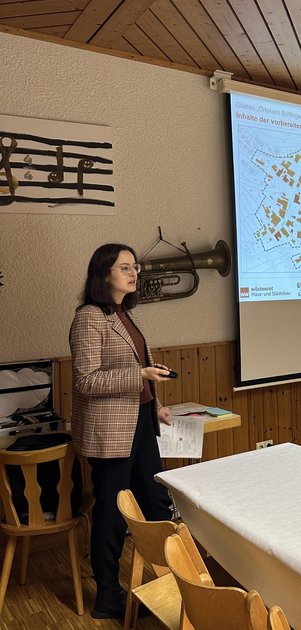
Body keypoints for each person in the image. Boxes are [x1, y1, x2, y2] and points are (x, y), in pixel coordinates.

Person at [69, 243, 174, 619]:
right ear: (104, 274)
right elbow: (86, 381)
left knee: (157, 504)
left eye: (135, 267)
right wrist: (139, 374)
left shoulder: (124, 313)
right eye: (125, 267)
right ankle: (107, 596)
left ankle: (176, 584)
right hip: (111, 434)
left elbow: (136, 371)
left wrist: (156, 405)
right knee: (113, 515)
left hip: (141, 423)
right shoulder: (89, 317)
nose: (134, 274)